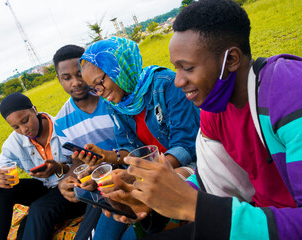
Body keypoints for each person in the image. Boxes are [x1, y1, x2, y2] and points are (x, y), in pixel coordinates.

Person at [119, 0, 302, 239]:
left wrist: (197, 207)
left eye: (188, 68)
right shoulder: (214, 109)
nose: (178, 81)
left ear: (232, 60)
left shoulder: (287, 91)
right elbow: (213, 181)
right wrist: (151, 199)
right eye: (176, 68)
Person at [79, 36, 200, 177]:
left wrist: (141, 175)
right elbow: (130, 148)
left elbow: (185, 144)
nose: (99, 93)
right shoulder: (116, 104)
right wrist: (105, 156)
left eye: (99, 82)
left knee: (163, 186)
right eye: (93, 89)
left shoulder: (165, 84)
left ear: (117, 67)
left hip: (193, 161)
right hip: (154, 170)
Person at [52, 44, 130, 240]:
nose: (76, 82)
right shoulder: (61, 120)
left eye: (79, 74)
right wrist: (68, 180)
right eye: (66, 77)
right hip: (98, 182)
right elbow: (76, 160)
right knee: (84, 193)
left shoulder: (112, 97)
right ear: (59, 79)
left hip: (127, 171)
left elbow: (135, 143)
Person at [0, 92, 85, 240]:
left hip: (72, 190)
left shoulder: (63, 127)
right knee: (4, 191)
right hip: (45, 188)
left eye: (25, 120)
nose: (23, 129)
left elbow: (83, 165)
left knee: (39, 209)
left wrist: (58, 168)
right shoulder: (14, 143)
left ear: (34, 109)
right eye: (16, 127)